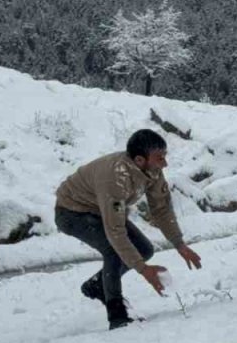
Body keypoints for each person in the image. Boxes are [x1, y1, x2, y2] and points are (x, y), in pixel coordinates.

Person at [54, 129, 202, 329]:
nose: (165, 163)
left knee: (144, 250)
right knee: (114, 251)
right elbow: (115, 232)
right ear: (140, 160)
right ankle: (117, 317)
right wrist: (143, 270)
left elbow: (161, 210)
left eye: (164, 157)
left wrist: (179, 244)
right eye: (160, 158)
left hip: (100, 208)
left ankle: (98, 285)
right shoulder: (116, 177)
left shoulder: (153, 171)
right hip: (72, 212)